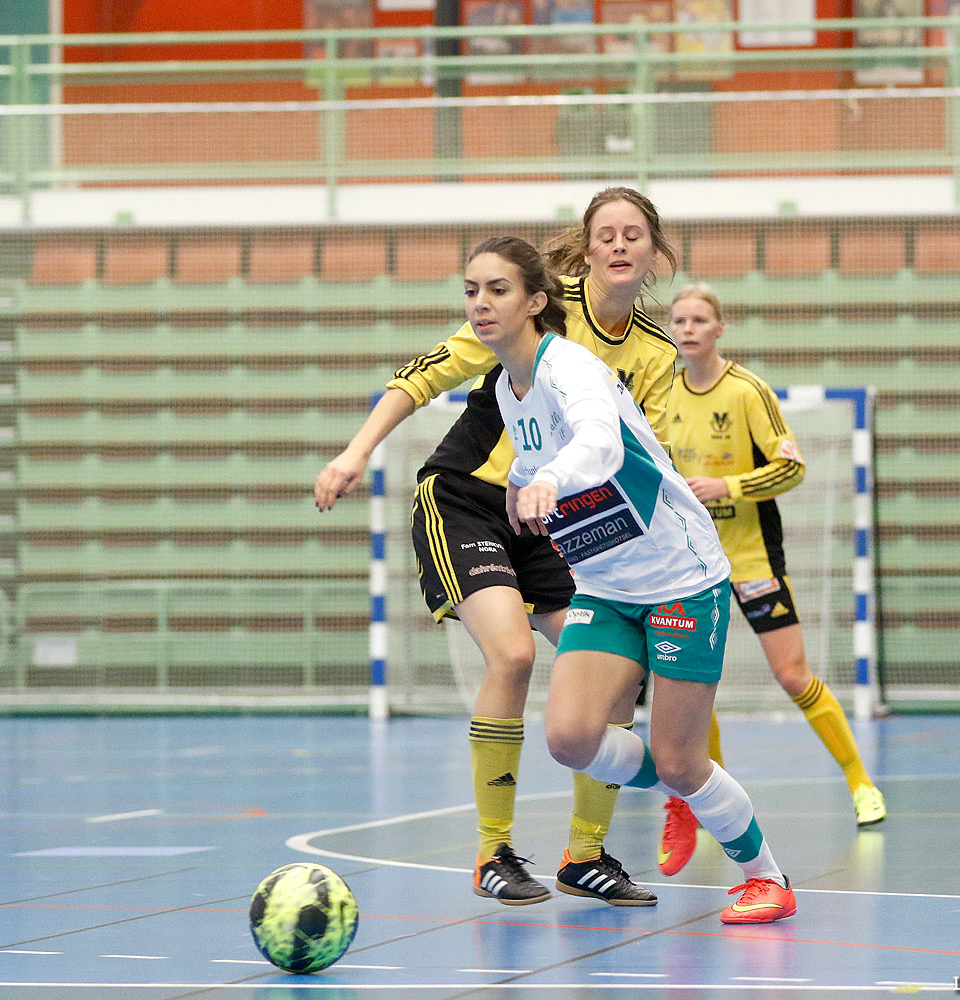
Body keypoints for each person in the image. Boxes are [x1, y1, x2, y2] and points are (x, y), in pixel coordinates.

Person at [313, 188, 680, 906]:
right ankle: (492, 853)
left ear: (654, 252)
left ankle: (585, 856)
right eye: (604, 234)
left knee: (615, 671)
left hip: (556, 518)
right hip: (470, 500)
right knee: (511, 654)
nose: (618, 246)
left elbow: (638, 456)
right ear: (586, 246)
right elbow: (424, 376)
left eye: (633, 235)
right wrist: (354, 454)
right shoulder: (533, 304)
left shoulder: (655, 353)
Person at [469, 235, 796, 925]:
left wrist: (551, 478)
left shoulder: (572, 369)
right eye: (472, 290)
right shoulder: (506, 387)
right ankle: (694, 781)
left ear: (534, 302)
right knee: (571, 740)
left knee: (681, 762)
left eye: (497, 289)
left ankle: (766, 875)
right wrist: (522, 483)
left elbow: (599, 442)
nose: (480, 303)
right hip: (606, 587)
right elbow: (536, 456)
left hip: (681, 576)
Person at [655, 282, 886, 877]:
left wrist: (726, 487)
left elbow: (791, 466)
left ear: (719, 328)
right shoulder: (658, 394)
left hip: (752, 557)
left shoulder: (747, 391)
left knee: (792, 674)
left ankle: (861, 783)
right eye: (678, 319)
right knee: (692, 681)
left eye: (699, 319)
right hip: (690, 562)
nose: (687, 329)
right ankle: (710, 805)